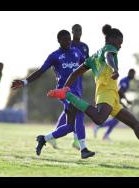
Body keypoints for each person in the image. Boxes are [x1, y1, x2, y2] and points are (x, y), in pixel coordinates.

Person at [47, 24, 139, 161]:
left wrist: (64, 87)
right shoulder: (110, 48)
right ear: (112, 40)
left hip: (112, 95)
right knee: (99, 119)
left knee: (135, 124)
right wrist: (114, 69)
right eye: (119, 43)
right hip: (106, 92)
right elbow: (109, 56)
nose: (120, 46)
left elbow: (75, 72)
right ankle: (69, 96)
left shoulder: (93, 57)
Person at [11, 29, 95, 159]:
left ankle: (44, 138)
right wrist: (24, 82)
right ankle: (83, 149)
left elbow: (88, 65)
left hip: (77, 91)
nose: (68, 42)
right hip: (64, 92)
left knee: (69, 126)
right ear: (59, 41)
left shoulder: (77, 52)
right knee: (80, 112)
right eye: (65, 39)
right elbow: (41, 71)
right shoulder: (54, 56)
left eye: (69, 39)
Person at [53, 24, 89, 150]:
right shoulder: (68, 45)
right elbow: (59, 63)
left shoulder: (84, 47)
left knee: (68, 111)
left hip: (78, 83)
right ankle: (77, 141)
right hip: (68, 85)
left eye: (80, 29)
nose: (78, 32)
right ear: (72, 32)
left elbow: (87, 64)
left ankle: (52, 137)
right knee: (77, 110)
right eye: (76, 30)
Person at [93, 69, 136, 141]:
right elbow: (120, 91)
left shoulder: (127, 81)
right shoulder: (125, 80)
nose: (133, 76)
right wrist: (126, 101)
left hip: (117, 99)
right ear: (130, 73)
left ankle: (105, 134)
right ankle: (99, 127)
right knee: (116, 119)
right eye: (133, 74)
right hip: (115, 99)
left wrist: (124, 102)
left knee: (116, 120)